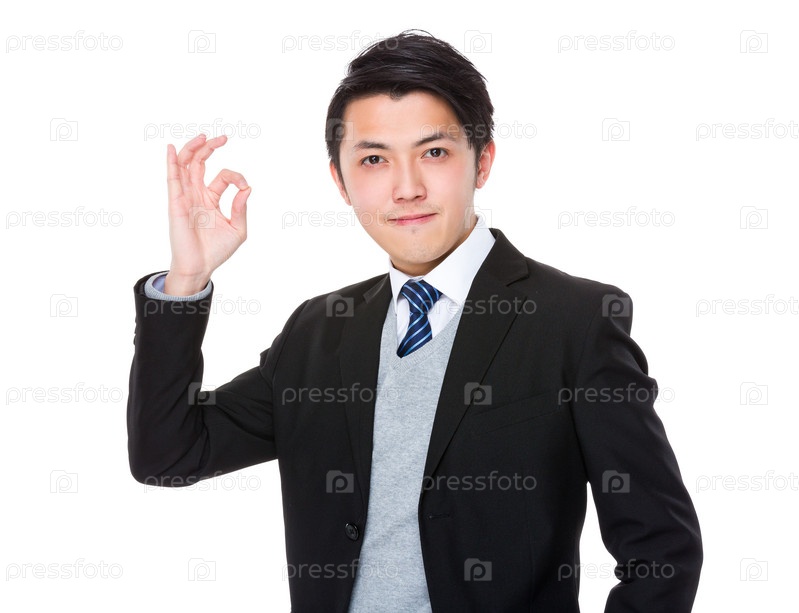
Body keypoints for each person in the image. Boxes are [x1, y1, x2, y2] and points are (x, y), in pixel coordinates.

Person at [127, 30, 702, 612]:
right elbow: (168, 456)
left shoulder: (572, 322)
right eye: (374, 160)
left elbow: (662, 550)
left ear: (482, 162)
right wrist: (185, 281)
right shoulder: (318, 333)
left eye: (434, 152)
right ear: (341, 182)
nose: (407, 189)